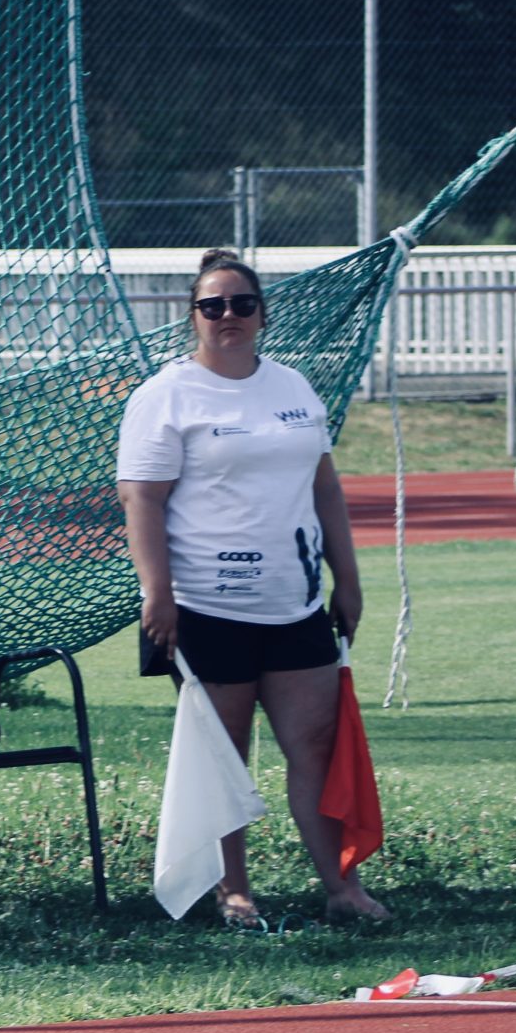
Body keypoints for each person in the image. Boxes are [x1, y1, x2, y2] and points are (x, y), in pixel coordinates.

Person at [117, 248, 388, 927]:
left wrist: (348, 580)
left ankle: (343, 888)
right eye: (212, 306)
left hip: (295, 605)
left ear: (262, 313)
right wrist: (157, 593)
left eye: (241, 303)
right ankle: (232, 890)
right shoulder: (166, 395)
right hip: (207, 608)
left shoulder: (293, 386)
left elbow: (325, 489)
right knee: (224, 756)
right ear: (193, 316)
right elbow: (140, 498)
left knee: (315, 745)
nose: (228, 315)